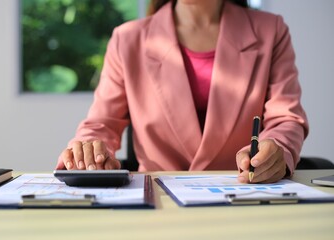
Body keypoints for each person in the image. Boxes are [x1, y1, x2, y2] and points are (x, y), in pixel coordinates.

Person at [56, 0, 309, 184]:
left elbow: (285, 118)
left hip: (242, 192)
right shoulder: (127, 39)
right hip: (157, 201)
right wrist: (88, 149)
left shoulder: (270, 30)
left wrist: (277, 149)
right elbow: (101, 123)